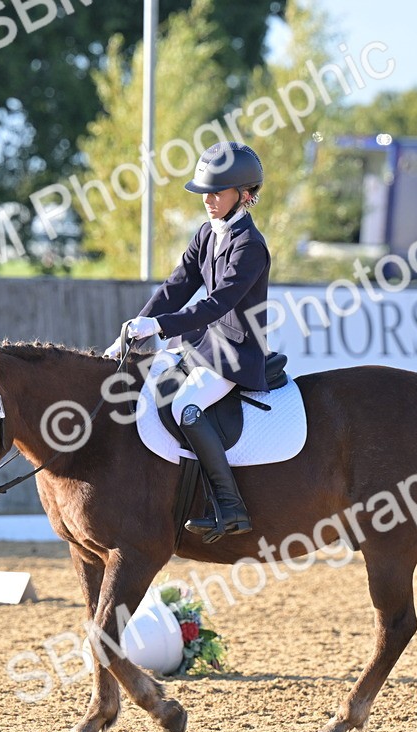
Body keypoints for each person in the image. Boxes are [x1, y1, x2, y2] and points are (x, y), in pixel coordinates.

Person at [104, 141, 271, 540]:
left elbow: (217, 303)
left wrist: (160, 328)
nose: (209, 200)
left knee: (186, 405)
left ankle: (230, 507)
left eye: (217, 192)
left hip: (235, 352)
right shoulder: (207, 233)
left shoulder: (250, 246)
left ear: (245, 196)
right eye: (205, 192)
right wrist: (133, 329)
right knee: (149, 386)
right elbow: (178, 285)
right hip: (204, 343)